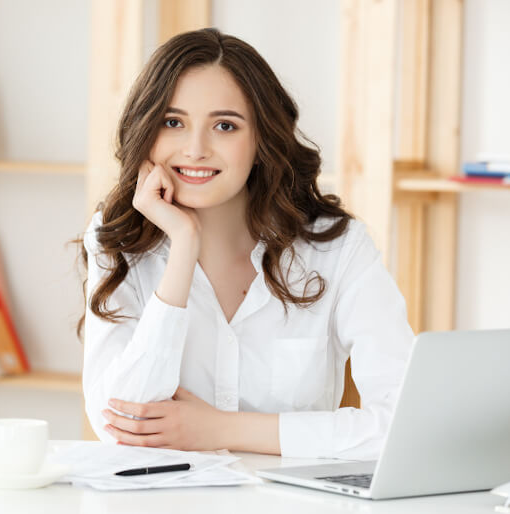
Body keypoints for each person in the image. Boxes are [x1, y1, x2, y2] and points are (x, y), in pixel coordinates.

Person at [79, 28, 413, 460]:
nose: (195, 149)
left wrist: (220, 429)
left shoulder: (337, 248)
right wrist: (183, 247)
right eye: (173, 122)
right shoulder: (117, 239)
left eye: (224, 126)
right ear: (147, 130)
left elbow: (401, 427)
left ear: (261, 140)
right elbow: (121, 425)